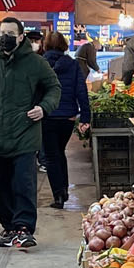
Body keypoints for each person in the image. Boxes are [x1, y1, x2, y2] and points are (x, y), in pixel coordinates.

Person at [0, 17, 61, 249]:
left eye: (10, 33)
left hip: (25, 135)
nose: (5, 37)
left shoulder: (36, 63)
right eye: (3, 32)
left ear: (21, 37)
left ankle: (24, 228)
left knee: (24, 182)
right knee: (4, 184)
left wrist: (44, 108)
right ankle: (9, 227)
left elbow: (53, 87)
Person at [41, 32, 90, 211]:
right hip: (68, 117)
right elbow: (81, 91)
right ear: (64, 45)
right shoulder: (73, 64)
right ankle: (63, 189)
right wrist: (85, 116)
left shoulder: (40, 64)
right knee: (59, 152)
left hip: (46, 116)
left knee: (52, 156)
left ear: (45, 45)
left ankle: (59, 195)